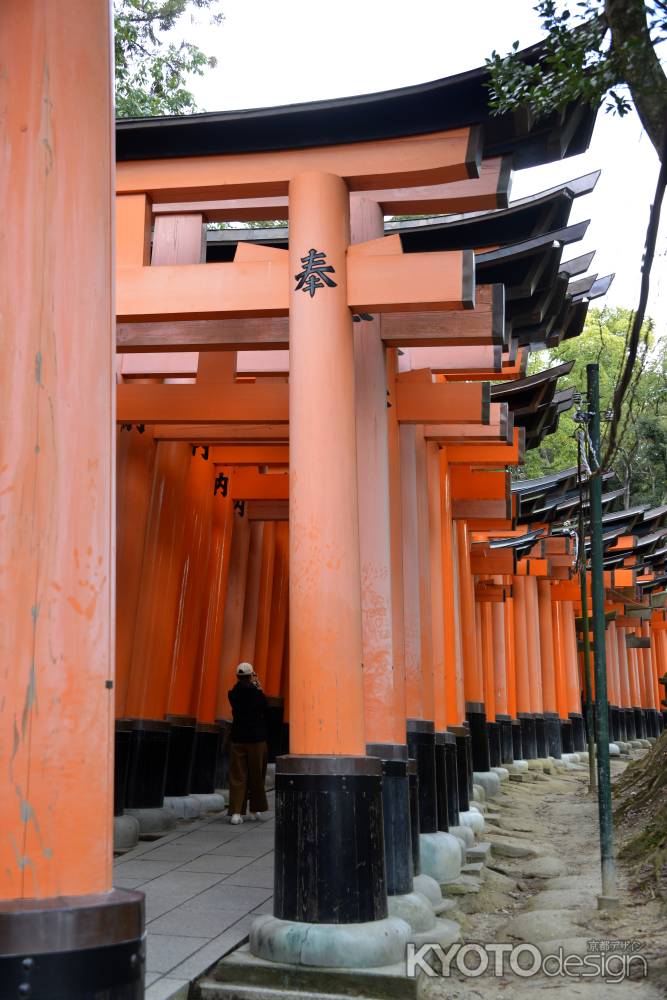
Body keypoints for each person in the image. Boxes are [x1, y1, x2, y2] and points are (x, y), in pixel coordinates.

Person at [227, 661, 269, 825]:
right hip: (257, 739)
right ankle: (254, 809)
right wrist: (258, 687)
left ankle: (236, 812)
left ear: (237, 677)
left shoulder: (232, 694)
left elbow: (239, 692)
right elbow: (264, 709)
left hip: (238, 738)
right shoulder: (257, 694)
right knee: (256, 774)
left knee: (237, 775)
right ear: (251, 676)